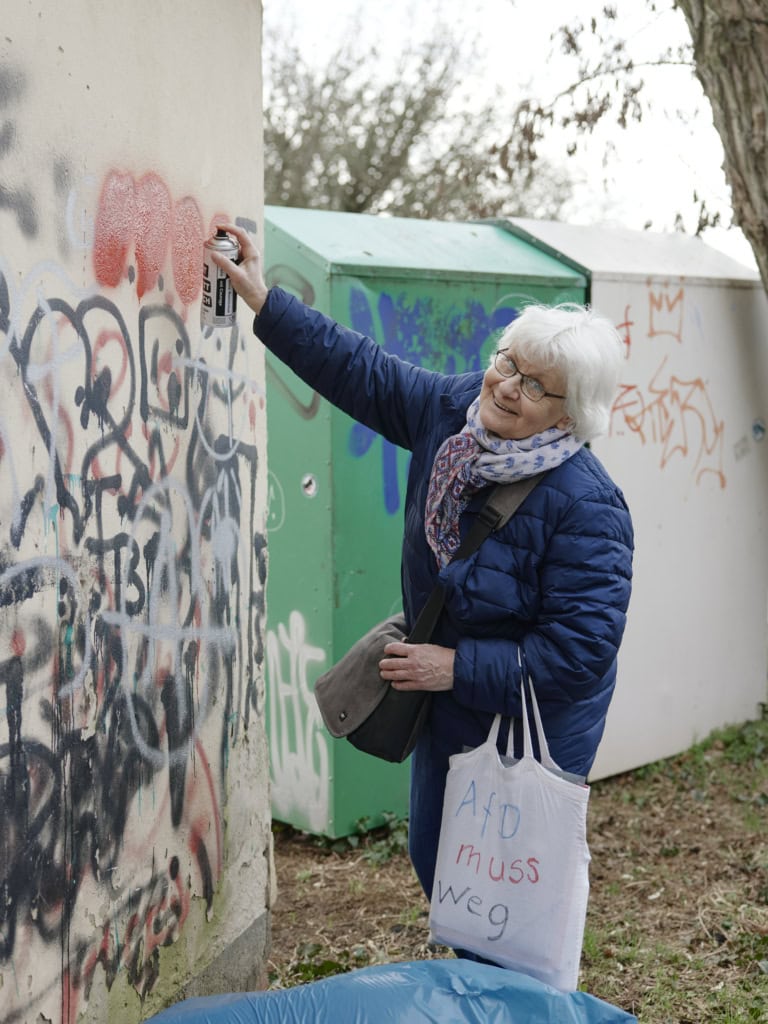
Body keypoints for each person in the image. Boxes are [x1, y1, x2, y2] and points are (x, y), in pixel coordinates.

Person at [212, 222, 634, 911]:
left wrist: (456, 668)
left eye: (536, 386)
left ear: (572, 413)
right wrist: (263, 297)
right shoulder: (453, 415)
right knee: (438, 857)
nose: (507, 387)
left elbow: (581, 651)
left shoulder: (588, 505)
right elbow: (359, 369)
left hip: (532, 729)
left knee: (508, 892)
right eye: (507, 363)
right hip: (450, 704)